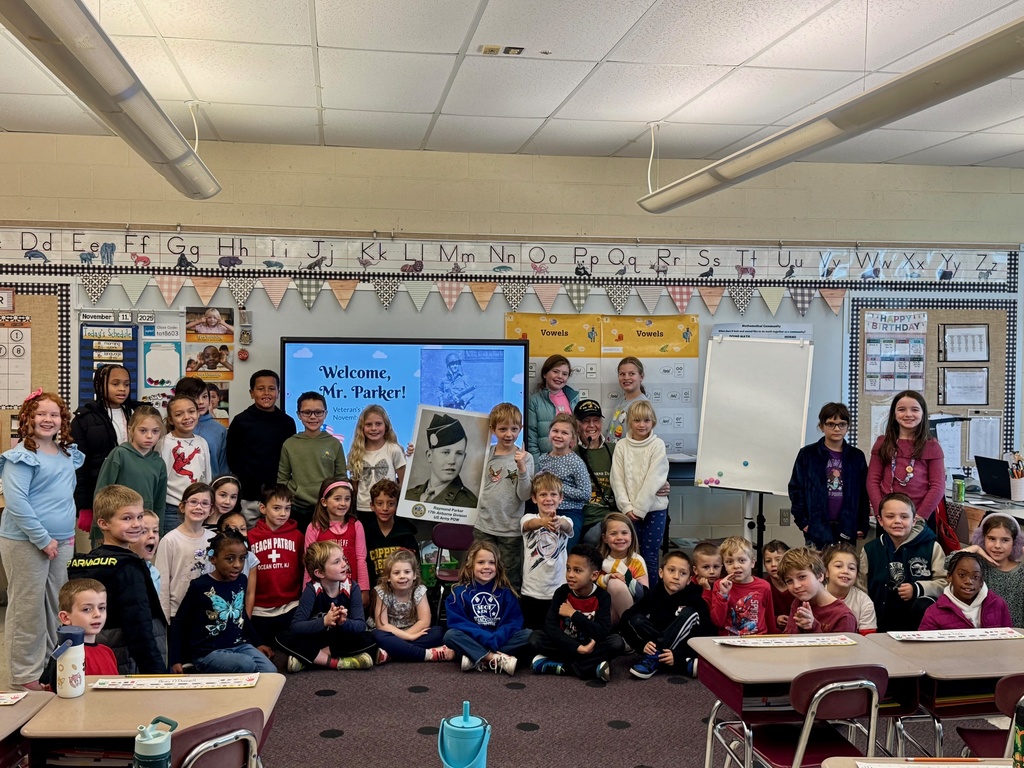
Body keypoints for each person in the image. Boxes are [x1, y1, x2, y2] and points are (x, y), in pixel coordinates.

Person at [0, 390, 84, 690]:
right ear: (28, 419)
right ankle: (24, 675)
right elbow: (16, 502)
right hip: (27, 542)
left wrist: (66, 537)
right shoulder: (21, 456)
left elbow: (63, 497)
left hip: (61, 542)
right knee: (28, 608)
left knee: (55, 607)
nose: (48, 419)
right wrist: (42, 539)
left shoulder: (64, 454)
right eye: (40, 414)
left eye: (54, 414)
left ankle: (49, 666)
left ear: (62, 420)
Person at [67, 485, 166, 674]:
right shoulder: (129, 567)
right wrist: (157, 673)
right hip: (128, 660)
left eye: (139, 517)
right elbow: (139, 625)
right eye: (127, 518)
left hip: (93, 656)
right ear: (103, 523)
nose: (137, 524)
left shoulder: (85, 563)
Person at [169, 528, 275, 674]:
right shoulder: (199, 586)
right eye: (230, 559)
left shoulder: (241, 580)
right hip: (208, 653)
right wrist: (175, 659)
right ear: (213, 559)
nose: (237, 565)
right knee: (246, 665)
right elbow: (180, 622)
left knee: (270, 671)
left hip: (239, 646)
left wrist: (258, 643)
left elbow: (241, 615)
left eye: (242, 558)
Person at [528, 544, 625, 681]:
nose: (570, 575)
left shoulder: (602, 596)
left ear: (594, 575)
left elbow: (602, 631)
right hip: (566, 644)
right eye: (568, 569)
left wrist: (573, 614)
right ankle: (589, 668)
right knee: (535, 638)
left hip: (590, 645)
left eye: (577, 570)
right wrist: (577, 648)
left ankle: (561, 667)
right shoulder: (562, 592)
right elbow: (550, 627)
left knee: (616, 642)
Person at [278, 542, 379, 672]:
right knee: (281, 636)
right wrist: (324, 621)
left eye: (343, 559)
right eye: (336, 562)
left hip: (339, 640)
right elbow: (296, 627)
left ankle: (310, 658)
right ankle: (336, 662)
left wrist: (344, 622)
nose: (344, 564)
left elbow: (360, 625)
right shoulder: (312, 590)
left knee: (371, 638)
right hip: (317, 637)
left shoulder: (352, 587)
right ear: (319, 573)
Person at [857, 493, 946, 632]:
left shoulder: (931, 547)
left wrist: (917, 588)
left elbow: (945, 583)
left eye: (904, 517)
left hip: (918, 625)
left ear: (914, 520)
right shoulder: (870, 550)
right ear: (880, 520)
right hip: (879, 622)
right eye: (890, 516)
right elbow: (861, 588)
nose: (897, 521)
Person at [621, 550, 712, 680]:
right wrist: (641, 645)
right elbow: (626, 618)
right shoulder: (655, 592)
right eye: (671, 570)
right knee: (635, 618)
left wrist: (679, 655)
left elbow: (706, 631)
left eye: (683, 573)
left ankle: (658, 659)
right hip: (658, 637)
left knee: (689, 613)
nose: (676, 576)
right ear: (661, 573)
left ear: (689, 579)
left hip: (681, 646)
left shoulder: (695, 595)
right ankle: (682, 664)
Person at [444, 540, 531, 676]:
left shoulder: (506, 592)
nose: (487, 566)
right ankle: (494, 658)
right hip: (475, 638)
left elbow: (513, 622)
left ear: (498, 566)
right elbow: (457, 623)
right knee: (450, 636)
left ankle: (477, 657)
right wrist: (484, 637)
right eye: (481, 562)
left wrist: (496, 638)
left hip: (498, 639)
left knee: (528, 635)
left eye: (492, 562)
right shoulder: (458, 593)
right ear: (470, 564)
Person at [788, 402, 869, 547]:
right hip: (817, 526)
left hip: (847, 526)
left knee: (843, 568)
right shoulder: (808, 454)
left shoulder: (856, 456)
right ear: (821, 426)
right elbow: (796, 488)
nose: (837, 429)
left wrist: (862, 524)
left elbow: (863, 492)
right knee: (817, 568)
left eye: (842, 424)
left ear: (848, 426)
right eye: (831, 424)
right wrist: (803, 522)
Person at [610, 400, 669, 587]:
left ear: (653, 422)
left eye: (646, 420)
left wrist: (640, 509)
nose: (642, 425)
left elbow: (654, 479)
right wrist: (627, 508)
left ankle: (649, 602)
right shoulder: (621, 446)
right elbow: (616, 479)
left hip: (654, 511)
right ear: (630, 423)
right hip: (628, 514)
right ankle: (630, 597)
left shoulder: (657, 445)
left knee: (650, 556)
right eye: (637, 420)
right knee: (629, 556)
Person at [226, 369, 296, 526]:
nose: (266, 393)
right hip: (249, 496)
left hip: (277, 496)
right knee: (250, 537)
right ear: (251, 393)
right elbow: (232, 457)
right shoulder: (240, 421)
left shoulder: (287, 423)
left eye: (272, 388)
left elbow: (290, 458)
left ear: (278, 392)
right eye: (260, 388)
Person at [475, 403, 534, 590]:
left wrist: (522, 468)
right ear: (492, 430)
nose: (509, 434)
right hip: (484, 527)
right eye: (502, 429)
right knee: (481, 575)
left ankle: (509, 617)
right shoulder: (485, 455)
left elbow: (524, 495)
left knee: (509, 578)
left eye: (514, 429)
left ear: (521, 429)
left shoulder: (526, 458)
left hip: (511, 529)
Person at [71, 365, 136, 527]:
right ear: (99, 386)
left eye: (126, 384)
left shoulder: (136, 414)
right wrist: (84, 507)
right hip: (100, 498)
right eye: (115, 384)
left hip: (133, 494)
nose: (122, 389)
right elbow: (79, 468)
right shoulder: (83, 419)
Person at [93, 404, 167, 546]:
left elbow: (159, 503)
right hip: (116, 527)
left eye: (155, 431)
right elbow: (101, 493)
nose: (149, 436)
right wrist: (98, 530)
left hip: (144, 529)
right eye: (143, 430)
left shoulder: (159, 463)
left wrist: (158, 532)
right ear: (130, 430)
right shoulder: (119, 454)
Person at [867, 390, 945, 522]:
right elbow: (872, 482)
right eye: (902, 409)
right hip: (888, 518)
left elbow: (938, 486)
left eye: (914, 410)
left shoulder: (932, 446)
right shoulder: (882, 443)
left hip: (920, 517)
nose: (908, 414)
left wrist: (920, 516)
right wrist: (881, 513)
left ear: (923, 414)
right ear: (894, 414)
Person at [277, 391, 347, 532]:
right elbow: (282, 479)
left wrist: (335, 501)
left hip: (327, 509)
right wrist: (294, 494)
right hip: (298, 510)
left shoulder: (334, 444)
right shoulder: (290, 444)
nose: (313, 417)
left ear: (325, 414)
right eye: (307, 412)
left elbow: (341, 478)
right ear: (298, 414)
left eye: (318, 412)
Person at [249, 485, 304, 650]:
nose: (283, 513)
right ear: (263, 508)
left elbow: (302, 570)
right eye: (277, 508)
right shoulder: (251, 537)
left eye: (287, 508)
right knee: (257, 643)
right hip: (260, 608)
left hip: (290, 605)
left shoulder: (297, 536)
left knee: (292, 640)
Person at [371, 549, 450, 662]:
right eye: (396, 573)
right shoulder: (382, 592)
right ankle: (427, 654)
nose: (402, 576)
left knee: (438, 632)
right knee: (376, 635)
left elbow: (424, 621)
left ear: (414, 576)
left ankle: (391, 653)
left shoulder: (419, 590)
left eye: (407, 572)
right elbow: (382, 625)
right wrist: (408, 637)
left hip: (413, 631)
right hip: (390, 633)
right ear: (388, 577)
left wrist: (406, 636)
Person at [154, 482, 216, 623]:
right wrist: (165, 617)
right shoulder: (170, 540)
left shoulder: (213, 539)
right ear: (182, 506)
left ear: (211, 510)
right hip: (178, 613)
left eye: (204, 503)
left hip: (207, 610)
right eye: (193, 502)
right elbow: (162, 581)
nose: (198, 507)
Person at [41, 578, 119, 689]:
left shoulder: (108, 652)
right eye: (87, 609)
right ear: (66, 618)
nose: (97, 614)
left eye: (102, 608)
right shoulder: (66, 653)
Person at [520, 472, 574, 629]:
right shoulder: (528, 518)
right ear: (534, 498)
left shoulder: (565, 520)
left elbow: (568, 526)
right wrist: (543, 522)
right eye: (543, 494)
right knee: (532, 633)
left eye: (553, 494)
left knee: (556, 631)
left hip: (558, 591)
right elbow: (529, 525)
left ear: (560, 498)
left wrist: (558, 522)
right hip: (531, 591)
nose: (548, 499)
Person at [304, 477, 369, 601]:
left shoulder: (356, 525)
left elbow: (361, 559)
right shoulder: (314, 528)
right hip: (323, 592)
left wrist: (364, 589)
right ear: (324, 502)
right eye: (337, 499)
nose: (343, 503)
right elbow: (309, 564)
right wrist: (307, 591)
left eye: (347, 499)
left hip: (351, 591)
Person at [159, 393, 212, 536]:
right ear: (170, 419)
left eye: (191, 411)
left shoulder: (202, 442)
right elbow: (161, 479)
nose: (187, 417)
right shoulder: (164, 443)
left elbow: (207, 476)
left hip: (199, 508)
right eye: (179, 414)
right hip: (173, 510)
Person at [919, 550, 1011, 630]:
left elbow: (1009, 641)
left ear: (981, 581)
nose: (969, 581)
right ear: (950, 577)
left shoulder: (998, 604)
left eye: (975, 577)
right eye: (962, 575)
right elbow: (925, 648)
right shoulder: (933, 613)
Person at [536, 413, 590, 549]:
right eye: (555, 431)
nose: (558, 436)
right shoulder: (543, 459)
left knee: (563, 552)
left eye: (564, 433)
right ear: (549, 433)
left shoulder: (576, 463)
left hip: (570, 512)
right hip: (544, 510)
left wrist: (558, 486)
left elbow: (585, 494)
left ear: (572, 438)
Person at [960, 512, 1024, 627]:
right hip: (985, 633)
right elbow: (949, 563)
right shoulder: (978, 566)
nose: (997, 545)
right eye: (992, 539)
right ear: (982, 539)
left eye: (1005, 540)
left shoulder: (1022, 572)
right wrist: (976, 548)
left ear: (1015, 542)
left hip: (1017, 635)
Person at [405, 412, 479, 507]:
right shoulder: (409, 496)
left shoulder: (469, 503)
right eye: (446, 452)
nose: (452, 461)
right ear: (429, 456)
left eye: (459, 453)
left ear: (464, 457)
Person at [778, 547, 857, 634]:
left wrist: (813, 627)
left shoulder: (843, 616)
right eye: (789, 581)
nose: (796, 586)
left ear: (820, 576)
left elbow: (838, 648)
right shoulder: (798, 603)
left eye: (802, 577)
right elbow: (788, 639)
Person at [348, 404, 407, 517]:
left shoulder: (394, 449)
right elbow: (355, 486)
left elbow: (403, 481)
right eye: (369, 425)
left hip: (388, 509)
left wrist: (394, 503)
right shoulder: (356, 453)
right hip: (363, 508)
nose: (374, 428)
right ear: (362, 428)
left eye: (378, 424)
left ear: (386, 426)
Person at [710, 537, 774, 636]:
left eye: (741, 560)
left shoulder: (764, 586)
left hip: (758, 640)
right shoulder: (720, 585)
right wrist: (723, 595)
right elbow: (718, 621)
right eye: (729, 562)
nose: (736, 566)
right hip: (729, 640)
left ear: (752, 563)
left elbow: (770, 618)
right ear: (724, 565)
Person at [363, 479, 418, 591]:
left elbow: (415, 567)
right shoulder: (365, 534)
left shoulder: (406, 534)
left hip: (403, 590)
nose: (385, 508)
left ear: (397, 505)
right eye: (379, 503)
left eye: (391, 504)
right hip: (375, 591)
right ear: (372, 506)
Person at [596, 512, 649, 624]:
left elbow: (642, 594)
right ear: (604, 538)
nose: (619, 537)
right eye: (613, 533)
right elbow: (592, 585)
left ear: (631, 536)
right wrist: (608, 578)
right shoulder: (598, 559)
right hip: (603, 610)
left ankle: (628, 628)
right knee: (613, 582)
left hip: (631, 609)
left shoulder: (637, 560)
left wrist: (626, 577)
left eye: (624, 533)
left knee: (616, 583)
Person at [526, 354, 579, 459]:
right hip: (546, 463)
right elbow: (531, 440)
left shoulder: (574, 399)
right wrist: (538, 468)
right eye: (555, 371)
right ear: (545, 374)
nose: (560, 376)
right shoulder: (534, 401)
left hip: (570, 461)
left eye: (564, 374)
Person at [174, 376, 227, 477]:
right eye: (195, 397)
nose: (201, 402)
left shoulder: (219, 430)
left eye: (205, 396)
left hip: (211, 488)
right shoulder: (173, 426)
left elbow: (223, 467)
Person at [822, 543, 877, 634]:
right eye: (838, 566)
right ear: (826, 572)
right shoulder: (814, 597)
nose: (845, 571)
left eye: (851, 568)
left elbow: (868, 639)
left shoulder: (864, 602)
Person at [216, 511, 260, 618]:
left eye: (243, 529)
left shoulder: (251, 558)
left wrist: (247, 620)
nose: (239, 533)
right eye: (233, 529)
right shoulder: (214, 558)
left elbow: (250, 593)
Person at [606, 356, 648, 442]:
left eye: (632, 374)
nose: (626, 378)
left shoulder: (643, 405)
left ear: (641, 377)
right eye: (622, 374)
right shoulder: (620, 401)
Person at [128, 509, 162, 596]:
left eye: (155, 531)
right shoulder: (124, 572)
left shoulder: (155, 573)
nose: (152, 536)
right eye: (143, 532)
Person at [762, 540, 793, 631]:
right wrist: (775, 619)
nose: (773, 564)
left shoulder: (798, 585)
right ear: (764, 564)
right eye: (768, 561)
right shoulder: (762, 587)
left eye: (778, 560)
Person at [691, 540, 723, 609]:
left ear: (721, 567)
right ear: (695, 570)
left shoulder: (723, 585)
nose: (712, 571)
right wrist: (706, 590)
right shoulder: (690, 587)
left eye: (716, 567)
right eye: (706, 567)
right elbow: (704, 612)